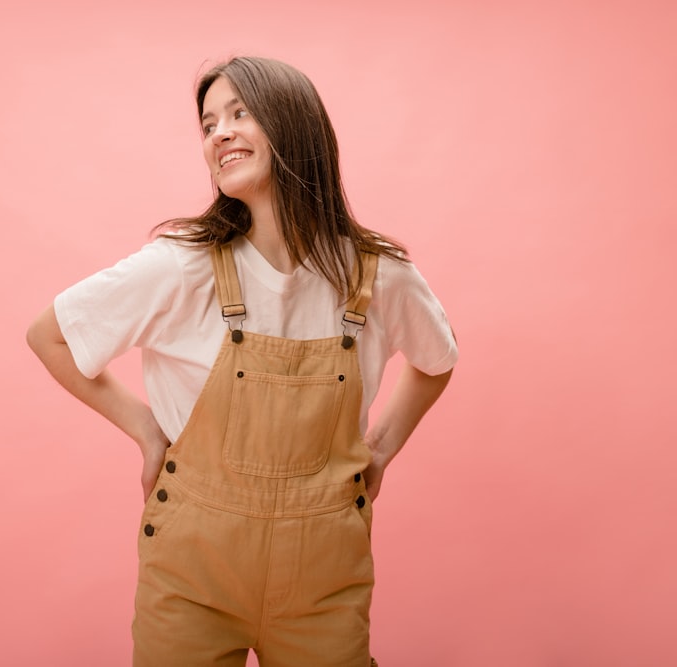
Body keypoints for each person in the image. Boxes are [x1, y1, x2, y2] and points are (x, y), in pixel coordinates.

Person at [27, 56, 458, 667]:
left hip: (325, 581)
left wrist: (382, 448)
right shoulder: (182, 265)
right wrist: (147, 431)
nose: (218, 133)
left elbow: (437, 359)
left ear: (295, 125)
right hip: (192, 576)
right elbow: (50, 335)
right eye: (207, 125)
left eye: (239, 113)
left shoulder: (377, 274)